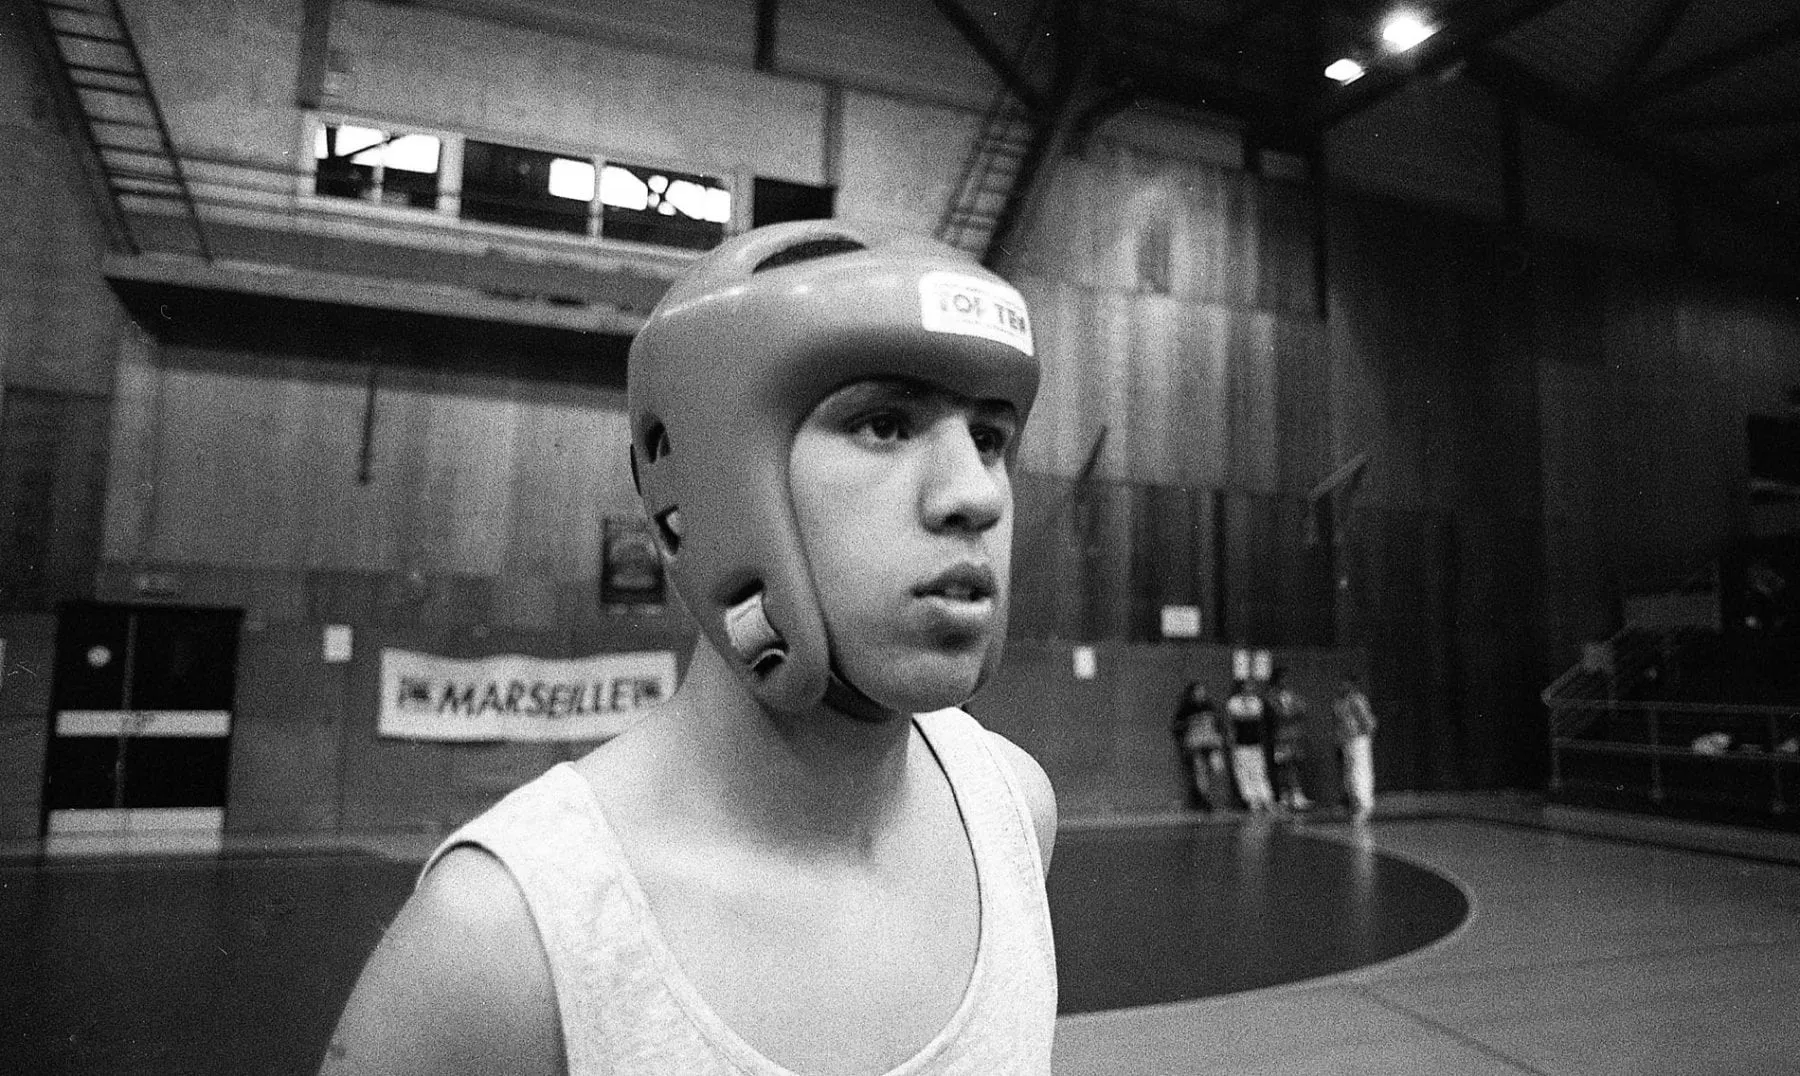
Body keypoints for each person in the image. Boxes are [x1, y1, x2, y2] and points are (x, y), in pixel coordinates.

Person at [320, 222, 1059, 1075]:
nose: (975, 494)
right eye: (884, 425)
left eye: (990, 438)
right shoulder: (503, 941)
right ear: (710, 485)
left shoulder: (1012, 815)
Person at [1170, 681, 1228, 810]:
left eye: (1202, 691)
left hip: (1211, 744)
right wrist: (1184, 741)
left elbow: (1219, 725)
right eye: (1197, 691)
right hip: (1195, 746)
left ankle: (1217, 798)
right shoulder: (1185, 710)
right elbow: (1176, 728)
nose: (1200, 694)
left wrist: (1220, 737)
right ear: (1191, 694)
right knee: (1200, 772)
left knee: (1218, 768)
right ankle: (1206, 799)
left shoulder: (1210, 707)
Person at [1263, 667, 1313, 812]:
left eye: (1287, 678)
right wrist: (1291, 712)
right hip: (1280, 737)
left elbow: (1303, 708)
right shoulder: (1271, 696)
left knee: (1295, 765)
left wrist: (1291, 711)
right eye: (1282, 678)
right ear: (1277, 680)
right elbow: (1280, 713)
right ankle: (1284, 797)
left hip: (1295, 737)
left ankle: (1297, 795)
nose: (1285, 681)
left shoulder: (1292, 694)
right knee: (1283, 767)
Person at [1333, 677, 1378, 822]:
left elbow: (1368, 720)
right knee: (1350, 774)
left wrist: (1365, 735)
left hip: (1358, 739)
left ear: (1352, 685)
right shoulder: (1340, 702)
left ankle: (1364, 805)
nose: (1342, 686)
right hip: (1346, 741)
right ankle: (1354, 804)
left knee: (1359, 772)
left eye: (1345, 683)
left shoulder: (1357, 700)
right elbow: (1339, 724)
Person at [1225, 678, 1274, 811]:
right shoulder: (1233, 702)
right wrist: (1231, 740)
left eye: (1251, 686)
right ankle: (1252, 800)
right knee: (1243, 772)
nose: (1250, 688)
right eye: (1247, 686)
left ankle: (1266, 798)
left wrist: (1244, 716)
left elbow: (1257, 720)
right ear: (1241, 687)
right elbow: (1231, 723)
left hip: (1255, 743)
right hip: (1240, 744)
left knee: (1259, 770)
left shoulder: (1257, 702)